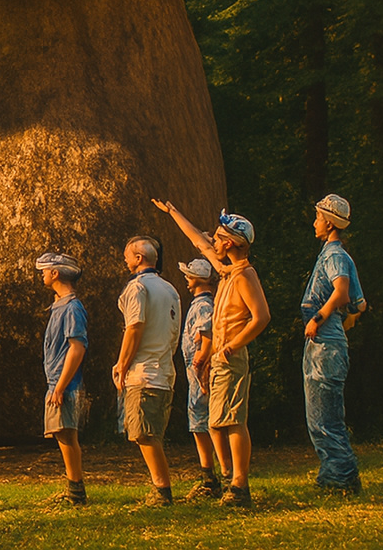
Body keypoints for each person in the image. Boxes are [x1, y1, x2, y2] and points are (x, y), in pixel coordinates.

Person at [153, 199, 270, 508]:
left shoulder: (244, 276)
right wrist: (174, 212)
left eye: (218, 238)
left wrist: (233, 345)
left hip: (230, 358)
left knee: (232, 420)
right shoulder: (227, 272)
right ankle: (228, 478)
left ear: (229, 243)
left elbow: (261, 317)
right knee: (216, 422)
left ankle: (240, 486)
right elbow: (199, 242)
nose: (212, 241)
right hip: (219, 359)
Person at [302, 194, 367, 494]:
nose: (314, 223)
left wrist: (318, 318)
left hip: (325, 344)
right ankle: (338, 476)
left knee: (323, 417)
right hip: (328, 342)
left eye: (318, 218)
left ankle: (340, 480)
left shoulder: (334, 256)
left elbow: (341, 292)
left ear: (329, 223)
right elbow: (359, 305)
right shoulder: (338, 255)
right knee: (323, 415)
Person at [113, 237, 181, 505]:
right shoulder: (170, 289)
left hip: (144, 370)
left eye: (127, 255)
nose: (125, 259)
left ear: (139, 258)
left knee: (144, 433)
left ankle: (162, 490)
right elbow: (174, 332)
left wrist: (122, 364)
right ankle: (160, 487)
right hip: (164, 369)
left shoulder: (137, 288)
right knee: (149, 432)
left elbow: (135, 327)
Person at [36, 251, 88, 506]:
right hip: (57, 381)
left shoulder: (72, 308)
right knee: (62, 434)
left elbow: (77, 348)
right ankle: (73, 487)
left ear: (55, 273)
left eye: (44, 271)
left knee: (66, 435)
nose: (42, 276)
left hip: (65, 382)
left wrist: (60, 386)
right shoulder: (60, 306)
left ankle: (76, 491)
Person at [178, 257, 220, 499]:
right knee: (199, 419)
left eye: (189, 276)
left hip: (199, 369)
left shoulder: (203, 305)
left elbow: (206, 337)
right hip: (196, 369)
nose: (187, 279)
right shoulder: (202, 303)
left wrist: (200, 362)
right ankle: (210, 473)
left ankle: (209, 474)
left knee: (200, 419)